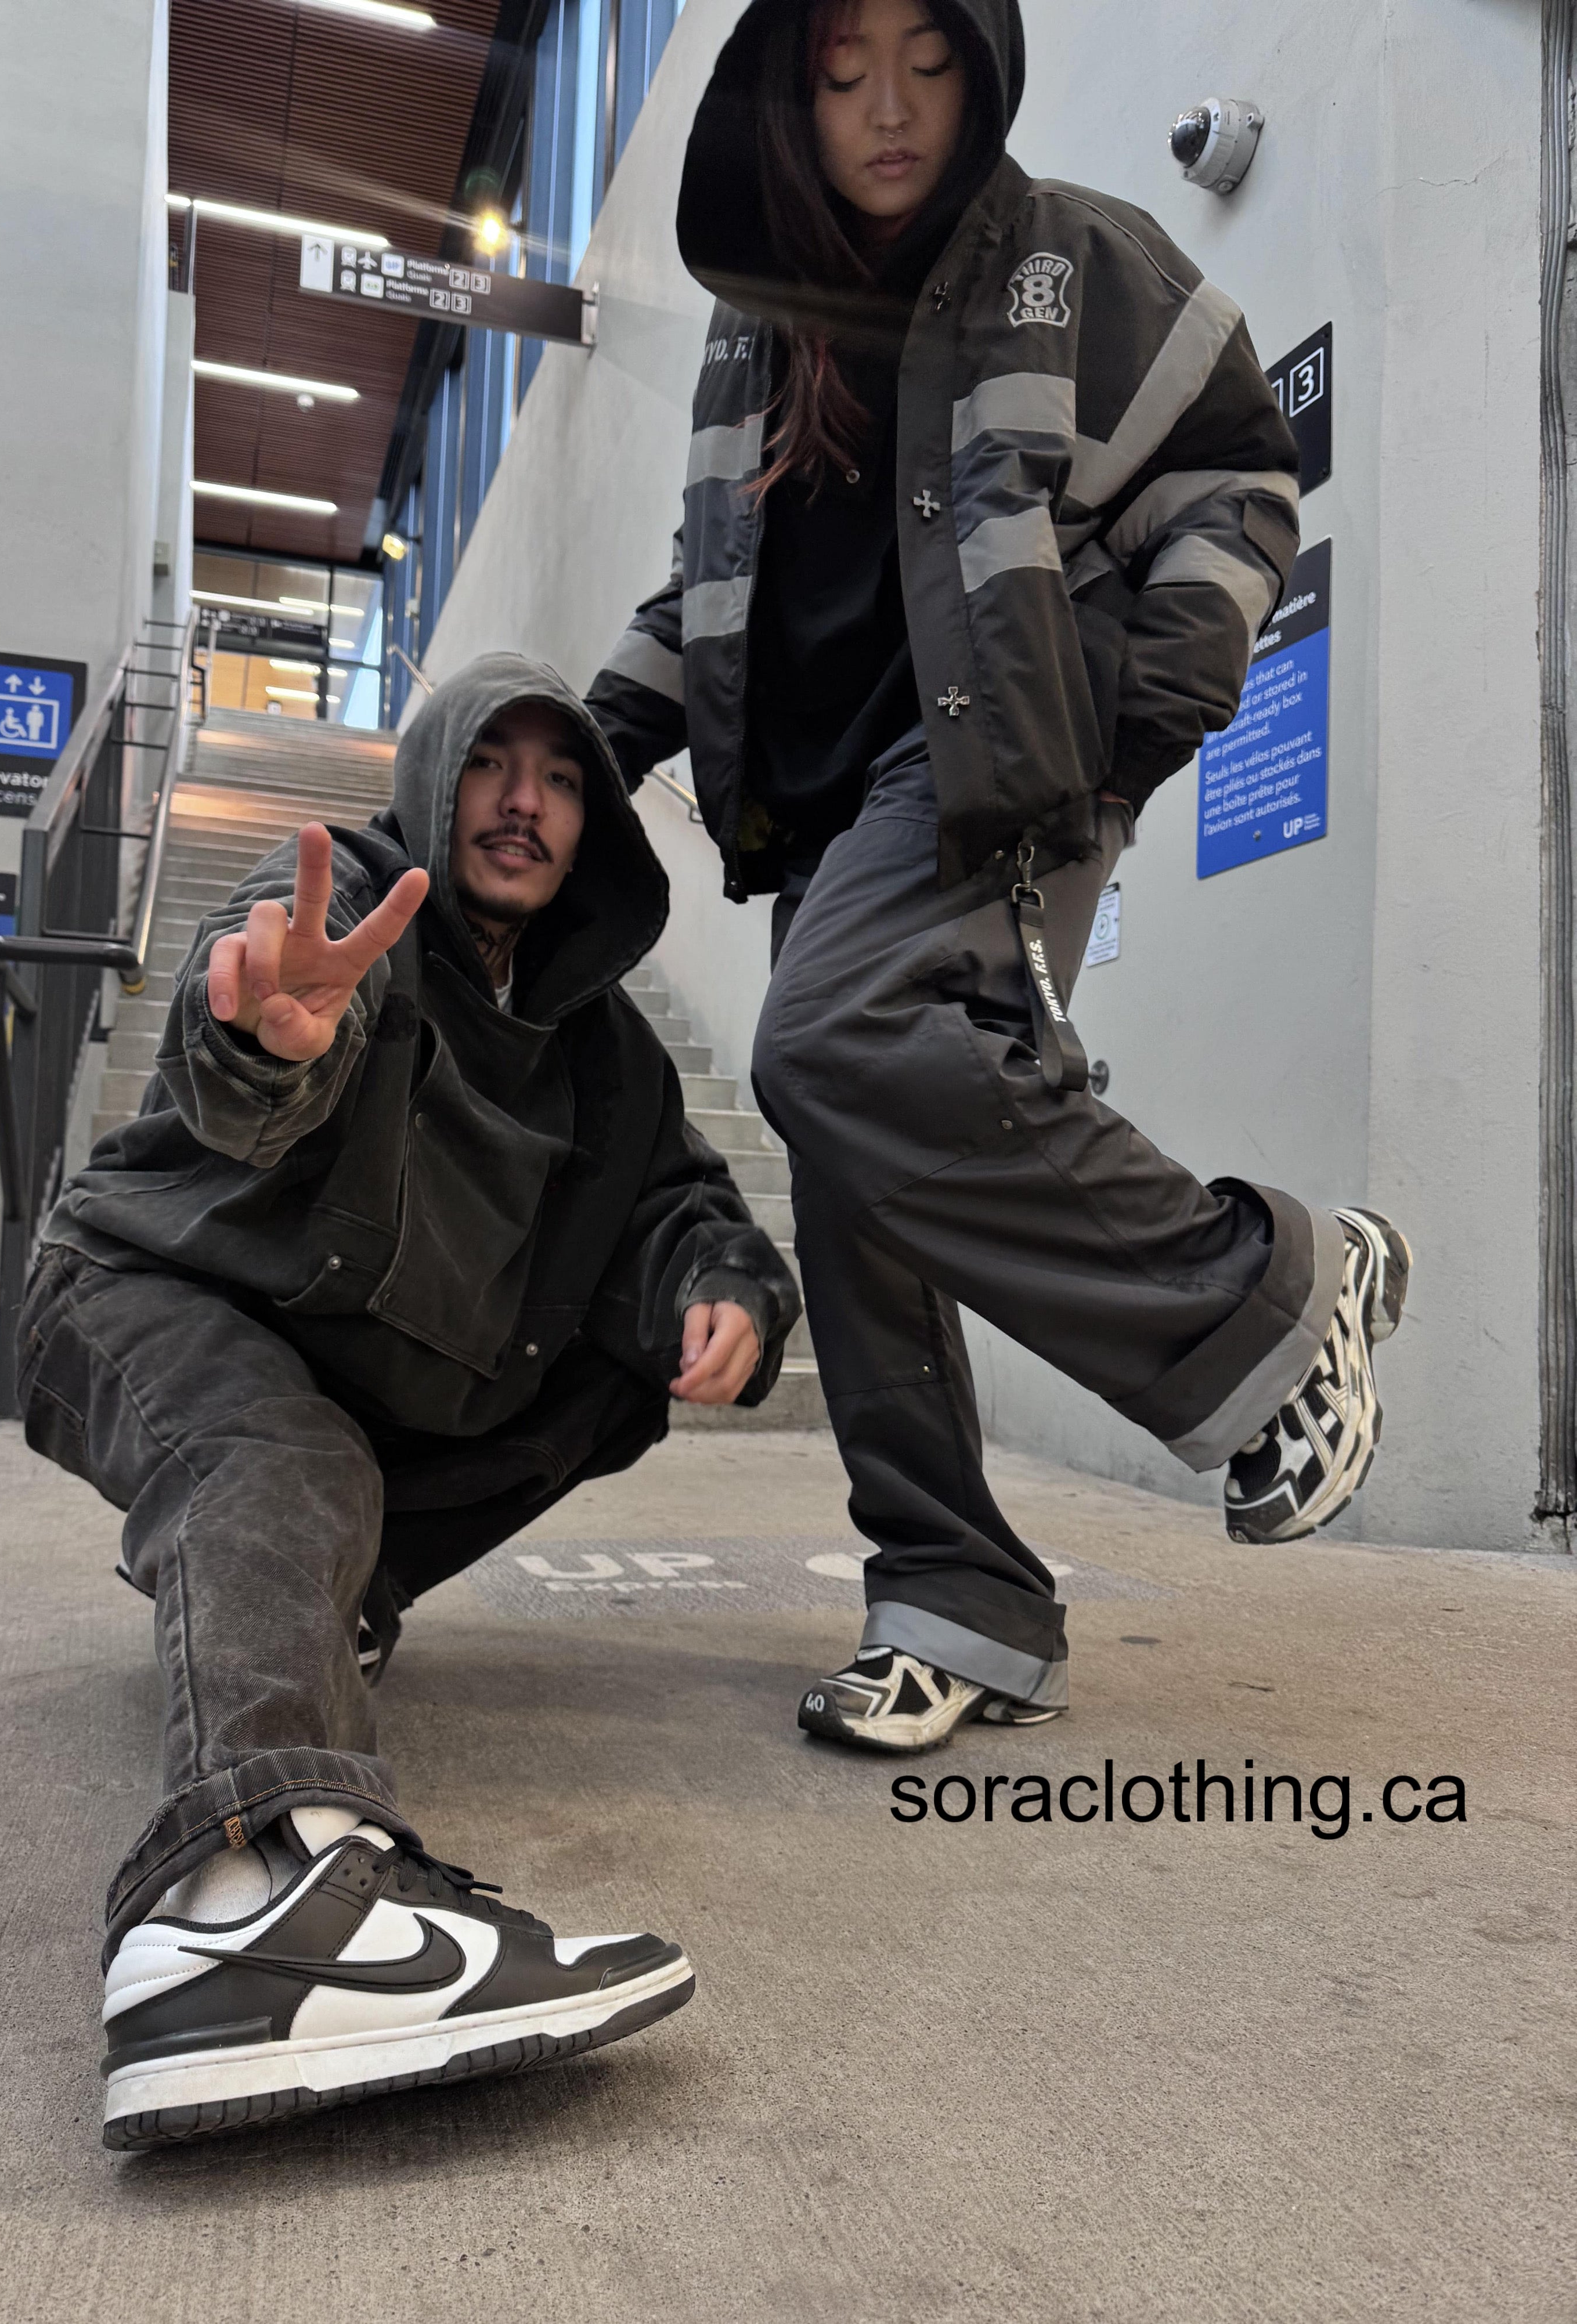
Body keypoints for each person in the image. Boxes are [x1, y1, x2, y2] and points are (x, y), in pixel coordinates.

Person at [586, 0, 1410, 1754]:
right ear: (788, 98)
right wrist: (596, 745)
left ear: (983, 65)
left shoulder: (1071, 255)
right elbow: (706, 590)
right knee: (853, 1155)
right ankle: (954, 1596)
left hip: (1008, 753)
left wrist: (1153, 696)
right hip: (823, 805)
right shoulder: (754, 330)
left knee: (821, 1042)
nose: (888, 106)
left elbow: (1238, 477)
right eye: (841, 72)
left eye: (928, 57)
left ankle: (1255, 1287)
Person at [18, 653, 800, 2149]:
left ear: (592, 824)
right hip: (143, 1289)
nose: (524, 802)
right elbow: (247, 1018)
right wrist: (263, 1040)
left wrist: (728, 1284)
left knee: (609, 1378)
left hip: (346, 1361)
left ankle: (339, 1596)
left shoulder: (603, 1052)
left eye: (561, 778)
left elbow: (686, 1199)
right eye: (492, 763)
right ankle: (253, 1896)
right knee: (278, 1455)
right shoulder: (350, 910)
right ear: (437, 778)